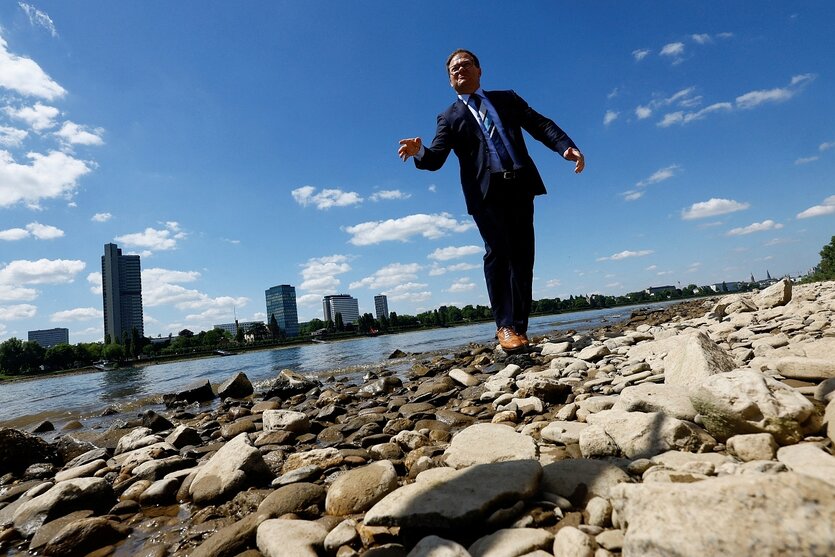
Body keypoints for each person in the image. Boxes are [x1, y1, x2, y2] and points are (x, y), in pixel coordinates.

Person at [398, 49, 585, 352]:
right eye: (453, 69)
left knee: (523, 257)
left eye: (465, 65)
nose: (460, 70)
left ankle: (520, 329)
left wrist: (565, 148)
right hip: (486, 194)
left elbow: (540, 124)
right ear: (450, 80)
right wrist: (419, 151)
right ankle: (505, 326)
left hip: (520, 186)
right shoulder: (449, 117)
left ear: (479, 70)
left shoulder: (506, 99)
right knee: (498, 252)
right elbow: (435, 159)